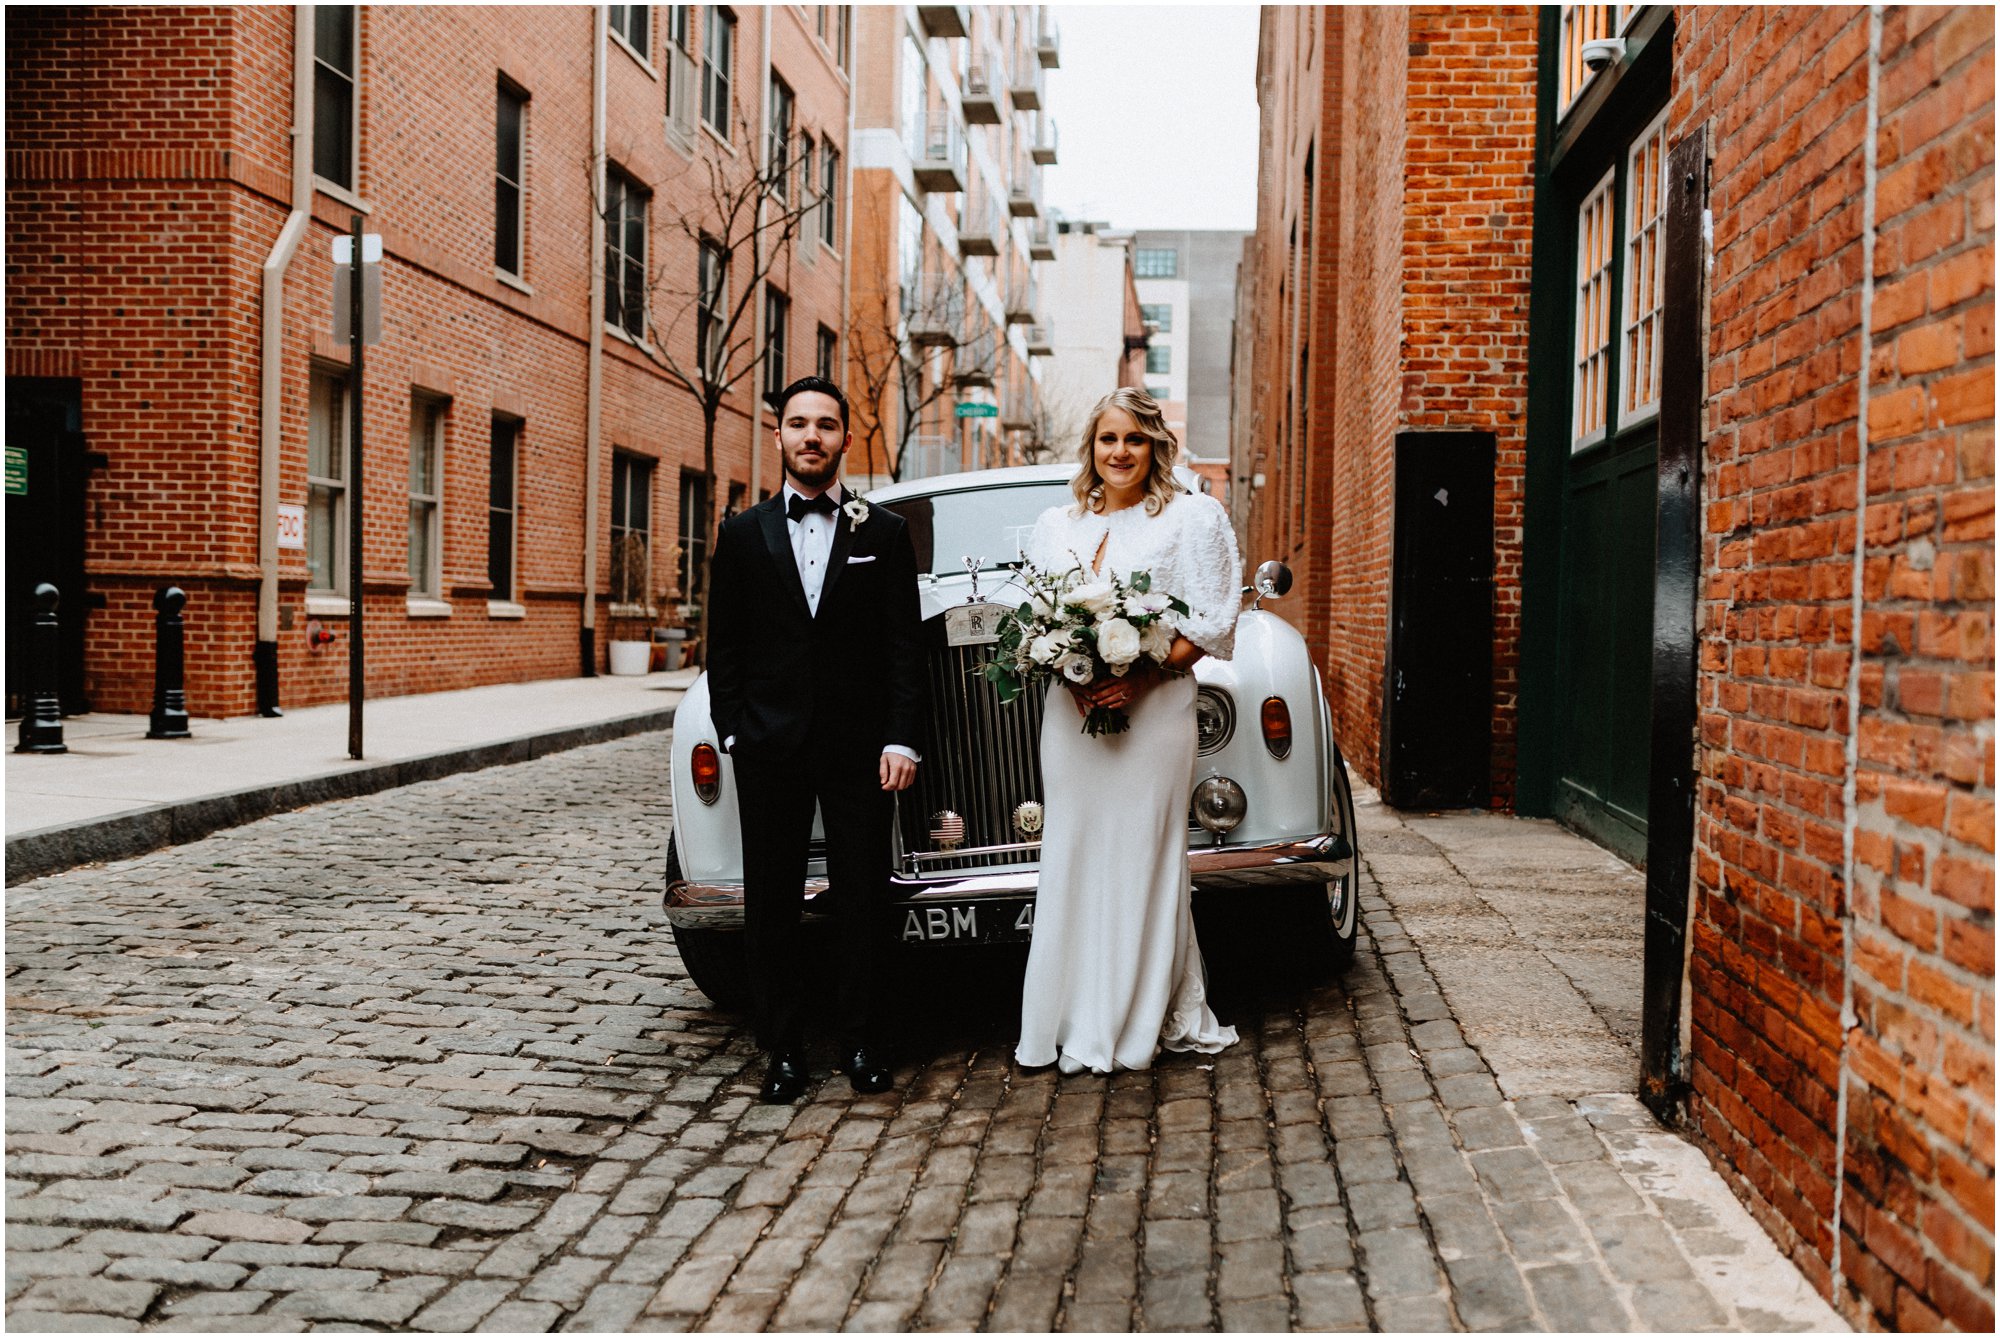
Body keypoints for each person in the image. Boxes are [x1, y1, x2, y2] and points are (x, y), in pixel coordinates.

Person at [705, 376, 926, 1102]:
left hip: (863, 752)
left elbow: (902, 650)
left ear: (843, 440)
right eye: (798, 423)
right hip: (770, 748)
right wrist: (734, 733)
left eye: (825, 425)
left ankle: (864, 1042)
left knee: (864, 897)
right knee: (772, 902)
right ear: (779, 436)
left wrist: (901, 739)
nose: (811, 436)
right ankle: (785, 1051)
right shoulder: (741, 536)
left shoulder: (885, 534)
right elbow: (725, 649)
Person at [1015, 387, 1243, 1074]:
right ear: (1090, 448)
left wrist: (1138, 679)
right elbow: (1032, 619)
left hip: (1157, 711)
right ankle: (1070, 1017)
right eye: (1108, 440)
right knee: (1074, 855)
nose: (1120, 453)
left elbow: (1213, 621)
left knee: (1145, 856)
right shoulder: (1056, 525)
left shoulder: (1192, 518)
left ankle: (1134, 1019)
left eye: (1134, 440)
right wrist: (1072, 669)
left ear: (1155, 447)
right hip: (1072, 714)